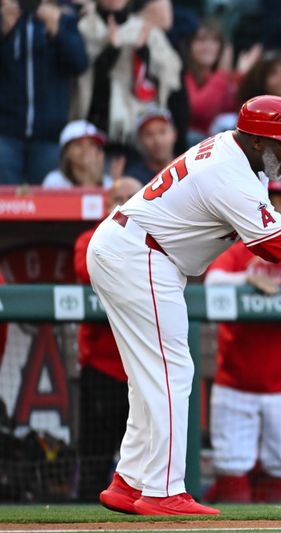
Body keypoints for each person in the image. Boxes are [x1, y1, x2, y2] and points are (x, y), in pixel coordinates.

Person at [87, 95, 281, 516]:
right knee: (170, 373)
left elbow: (272, 246)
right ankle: (163, 491)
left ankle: (129, 482)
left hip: (135, 249)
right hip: (142, 253)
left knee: (153, 375)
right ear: (257, 141)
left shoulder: (238, 155)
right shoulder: (229, 172)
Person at [204, 181, 281, 504]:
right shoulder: (239, 250)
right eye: (271, 204)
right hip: (236, 381)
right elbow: (212, 282)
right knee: (230, 468)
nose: (278, 211)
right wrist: (246, 279)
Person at [73, 176, 142, 502]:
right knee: (95, 458)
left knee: (143, 461)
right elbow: (87, 270)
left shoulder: (157, 240)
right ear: (106, 204)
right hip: (103, 368)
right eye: (119, 197)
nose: (126, 202)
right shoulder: (90, 238)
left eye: (133, 196)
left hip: (143, 371)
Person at [72, 0, 182, 150]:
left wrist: (143, 53)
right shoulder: (82, 27)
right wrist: (111, 52)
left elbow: (171, 73)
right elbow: (78, 74)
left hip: (134, 126)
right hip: (93, 120)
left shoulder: (144, 29)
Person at [0, 0, 88, 185]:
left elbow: (80, 63)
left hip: (49, 133)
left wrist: (57, 30)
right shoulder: (5, 15)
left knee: (48, 203)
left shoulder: (63, 16)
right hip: (6, 132)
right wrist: (5, 32)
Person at [183, 19, 257, 144]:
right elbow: (199, 109)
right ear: (189, 45)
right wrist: (223, 74)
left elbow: (235, 109)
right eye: (201, 41)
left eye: (214, 41)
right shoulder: (183, 75)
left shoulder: (219, 77)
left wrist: (242, 76)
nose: (208, 47)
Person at [42, 120, 113, 189]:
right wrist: (88, 179)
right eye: (78, 144)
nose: (86, 149)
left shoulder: (108, 183)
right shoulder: (54, 181)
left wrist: (96, 177)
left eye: (91, 144)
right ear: (66, 152)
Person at [124, 108, 178, 185]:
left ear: (174, 134)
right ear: (140, 140)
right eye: (149, 134)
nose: (157, 140)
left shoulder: (190, 168)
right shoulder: (133, 179)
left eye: (162, 132)